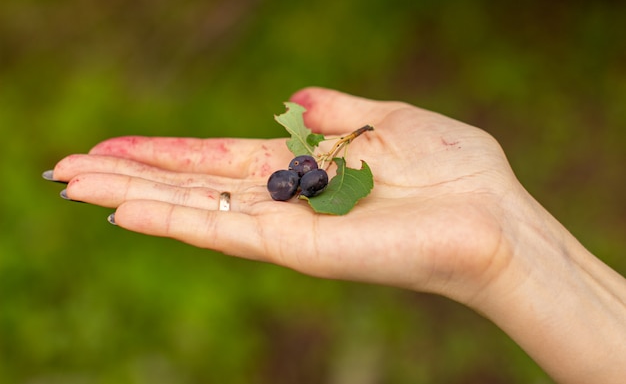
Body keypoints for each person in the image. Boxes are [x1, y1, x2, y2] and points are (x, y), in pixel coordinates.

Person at [44, 87, 626, 383]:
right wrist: (508, 247)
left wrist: (504, 243)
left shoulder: (319, 175)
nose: (300, 181)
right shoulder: (307, 175)